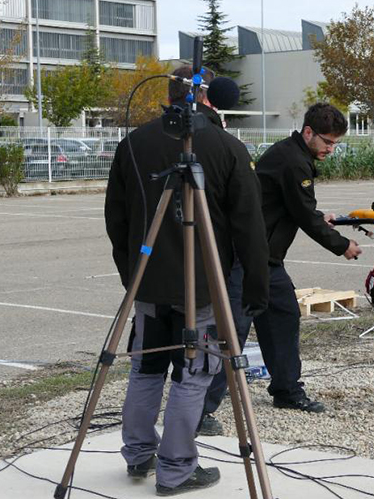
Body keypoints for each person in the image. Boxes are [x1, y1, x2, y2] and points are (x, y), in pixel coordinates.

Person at [105, 65, 269, 495]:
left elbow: (116, 219)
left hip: (148, 281)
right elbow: (250, 225)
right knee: (193, 373)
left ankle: (139, 454)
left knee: (146, 366)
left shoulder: (134, 143)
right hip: (202, 282)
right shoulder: (226, 147)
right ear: (208, 96)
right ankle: (176, 469)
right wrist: (256, 284)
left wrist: (130, 275)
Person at [241, 102, 361, 414]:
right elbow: (304, 215)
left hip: (266, 258)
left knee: (283, 315)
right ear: (308, 132)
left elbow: (295, 206)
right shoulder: (294, 162)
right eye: (327, 141)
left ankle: (286, 390)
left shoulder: (291, 154)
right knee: (232, 329)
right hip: (247, 258)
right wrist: (342, 244)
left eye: (335, 142)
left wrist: (321, 216)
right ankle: (201, 407)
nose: (331, 149)